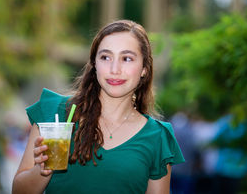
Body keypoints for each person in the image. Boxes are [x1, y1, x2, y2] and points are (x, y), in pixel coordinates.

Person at [12, 20, 185, 194]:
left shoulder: (157, 137)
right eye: (105, 57)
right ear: (94, 64)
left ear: (144, 69)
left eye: (126, 58)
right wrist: (42, 170)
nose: (114, 69)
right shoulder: (54, 112)